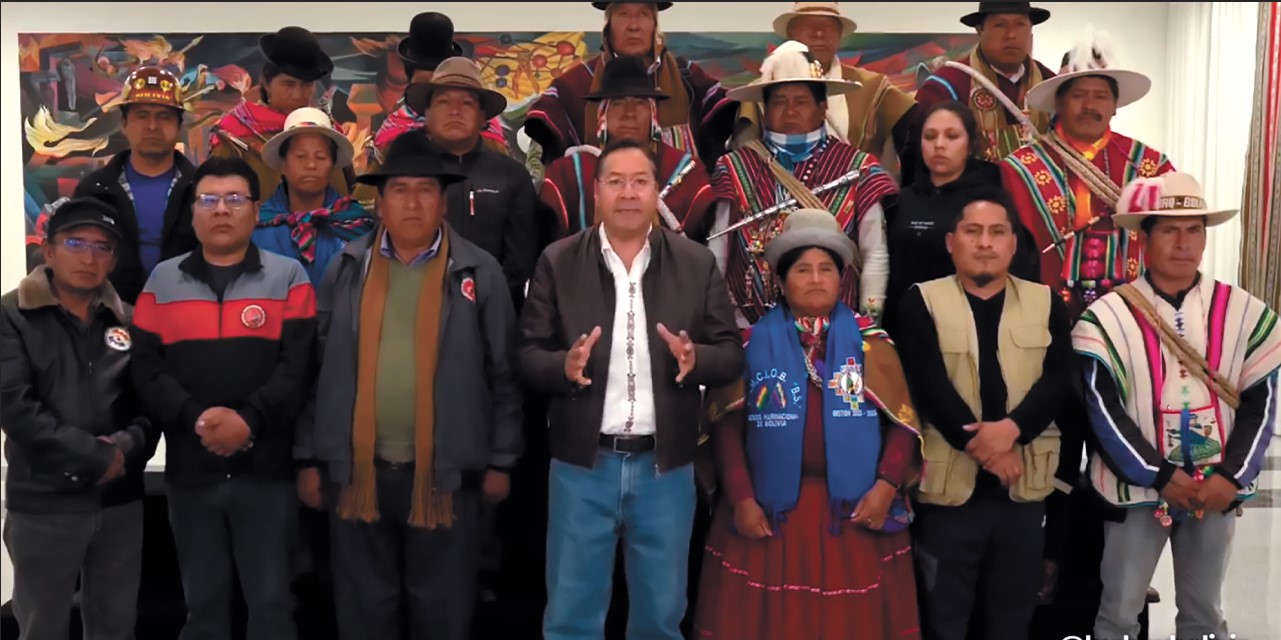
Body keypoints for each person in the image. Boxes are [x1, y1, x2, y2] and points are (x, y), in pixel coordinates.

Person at [293, 131, 523, 640]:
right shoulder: (347, 268)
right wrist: (310, 457)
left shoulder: (478, 273)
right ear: (381, 201)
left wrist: (501, 461)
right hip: (356, 475)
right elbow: (317, 368)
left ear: (443, 200)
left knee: (441, 613)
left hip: (446, 475)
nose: (413, 201)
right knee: (364, 612)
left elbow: (504, 375)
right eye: (399, 189)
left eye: (425, 189)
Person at [519, 140, 743, 639]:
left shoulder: (695, 262)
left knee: (661, 618)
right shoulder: (557, 261)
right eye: (615, 181)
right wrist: (563, 367)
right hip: (582, 467)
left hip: (665, 469)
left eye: (639, 181)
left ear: (656, 192)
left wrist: (696, 359)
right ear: (596, 193)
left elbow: (730, 354)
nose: (627, 192)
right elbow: (527, 357)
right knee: (571, 617)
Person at [693, 208, 924, 639]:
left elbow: (901, 424)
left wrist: (886, 487)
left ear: (842, 279)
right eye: (802, 269)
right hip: (768, 516)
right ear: (780, 281)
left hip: (857, 515)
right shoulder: (749, 346)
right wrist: (742, 499)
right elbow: (725, 428)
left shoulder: (873, 346)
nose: (816, 279)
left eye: (826, 269)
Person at [1073, 173, 1280, 640]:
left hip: (1215, 492)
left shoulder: (1243, 312)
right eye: (1169, 229)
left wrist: (1232, 476)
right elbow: (1102, 412)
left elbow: (1261, 404)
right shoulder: (1106, 317)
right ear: (1143, 237)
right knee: (1119, 612)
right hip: (1138, 493)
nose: (1183, 242)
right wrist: (1160, 475)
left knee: (1205, 614)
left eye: (1194, 229)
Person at [130, 156, 316, 640]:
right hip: (191, 475)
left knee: (272, 605)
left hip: (267, 472)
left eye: (235, 199)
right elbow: (147, 370)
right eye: (208, 200)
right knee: (202, 607)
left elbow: (297, 369)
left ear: (255, 210)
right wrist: (195, 419)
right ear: (193, 212)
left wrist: (248, 422)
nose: (221, 211)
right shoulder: (162, 282)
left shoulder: (288, 276)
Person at [894, 188, 1074, 640]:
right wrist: (990, 450)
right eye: (973, 232)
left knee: (1012, 622)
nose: (985, 242)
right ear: (951, 242)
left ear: (1014, 244)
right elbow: (928, 385)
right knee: (944, 620)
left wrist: (1012, 431)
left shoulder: (1047, 302)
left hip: (1022, 491)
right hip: (949, 495)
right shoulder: (921, 301)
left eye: (997, 232)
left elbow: (1057, 381)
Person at [1, 198, 158, 640]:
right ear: (48, 250)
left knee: (115, 626)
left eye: (102, 247)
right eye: (76, 243)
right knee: (41, 626)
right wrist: (95, 457)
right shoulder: (12, 314)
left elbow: (150, 406)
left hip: (119, 503)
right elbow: (15, 406)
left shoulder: (127, 319)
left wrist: (124, 449)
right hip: (44, 503)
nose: (89, 258)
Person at [705, 41, 896, 325]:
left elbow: (874, 253)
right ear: (764, 109)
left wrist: (868, 326)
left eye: (801, 101)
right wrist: (720, 329)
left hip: (838, 335)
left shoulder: (858, 169)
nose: (790, 110)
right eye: (779, 101)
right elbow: (718, 252)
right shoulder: (734, 168)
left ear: (823, 108)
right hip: (749, 333)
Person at [1001, 25, 1175, 320]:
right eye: (1079, 95)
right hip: (1043, 320)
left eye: (1101, 96)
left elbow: (1171, 244)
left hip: (1135, 318)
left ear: (1115, 106)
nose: (1090, 106)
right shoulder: (1020, 169)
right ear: (1059, 102)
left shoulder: (1150, 168)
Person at [882, 100, 1038, 338]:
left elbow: (1018, 271)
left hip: (976, 333)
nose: (939, 145)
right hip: (905, 333)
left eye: (952, 136)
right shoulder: (899, 201)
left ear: (970, 144)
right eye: (930, 137)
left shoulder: (992, 198)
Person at [401, 57, 542, 312]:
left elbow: (521, 261)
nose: (455, 110)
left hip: (498, 315)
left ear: (482, 117)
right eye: (444, 102)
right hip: (418, 313)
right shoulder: (404, 174)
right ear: (427, 115)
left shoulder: (512, 175)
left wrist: (481, 301)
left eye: (466, 103)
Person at [524, 1, 735, 169]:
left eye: (643, 14)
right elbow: (549, 157)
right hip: (594, 211)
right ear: (608, 25)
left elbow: (723, 132)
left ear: (655, 25)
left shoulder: (687, 78)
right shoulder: (574, 85)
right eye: (623, 14)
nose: (633, 26)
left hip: (681, 206)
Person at [734, 2, 918, 180]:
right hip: (775, 202)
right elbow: (745, 161)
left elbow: (916, 140)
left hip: (856, 205)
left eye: (828, 26)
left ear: (839, 35)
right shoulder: (760, 92)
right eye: (808, 25)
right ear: (791, 33)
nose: (819, 33)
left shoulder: (871, 88)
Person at [539, 55, 715, 240]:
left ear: (653, 114)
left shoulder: (687, 172)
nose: (629, 113)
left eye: (640, 103)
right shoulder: (569, 173)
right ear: (602, 114)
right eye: (617, 104)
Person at [70, 66, 199, 304]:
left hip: (187, 319)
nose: (152, 126)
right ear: (124, 123)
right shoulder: (94, 191)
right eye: (142, 115)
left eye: (164, 117)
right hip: (108, 319)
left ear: (179, 125)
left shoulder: (202, 191)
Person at [210, 26, 349, 199]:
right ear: (267, 83)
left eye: (306, 85)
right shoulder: (234, 136)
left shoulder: (328, 134)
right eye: (288, 84)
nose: (298, 95)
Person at [363, 11, 508, 174]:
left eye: (440, 87)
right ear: (410, 81)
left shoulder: (485, 126)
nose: (431, 95)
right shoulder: (393, 130)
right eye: (425, 84)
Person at [913, 2, 1056, 165]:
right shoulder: (945, 86)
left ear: (1031, 30)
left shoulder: (1051, 83)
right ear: (980, 30)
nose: (1011, 34)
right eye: (999, 25)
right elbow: (919, 156)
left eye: (1020, 24)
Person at [255, 106, 376, 284]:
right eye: (300, 156)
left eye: (320, 157)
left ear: (333, 165)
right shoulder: (257, 227)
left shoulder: (357, 224)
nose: (311, 164)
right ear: (283, 164)